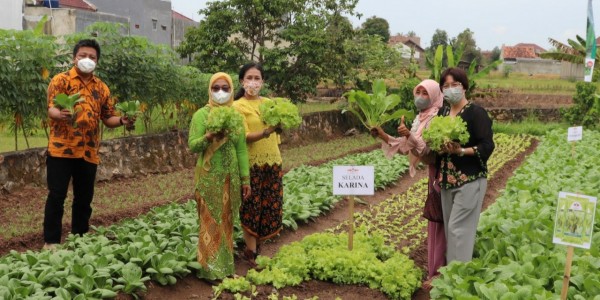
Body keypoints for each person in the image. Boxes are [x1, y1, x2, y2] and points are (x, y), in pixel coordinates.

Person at [44, 39, 134, 250]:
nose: (87, 60)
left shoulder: (101, 88)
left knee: (84, 199)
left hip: (88, 151)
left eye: (92, 57)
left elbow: (108, 117)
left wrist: (122, 120)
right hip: (61, 149)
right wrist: (62, 114)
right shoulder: (61, 81)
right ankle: (51, 242)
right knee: (56, 196)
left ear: (97, 61)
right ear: (74, 57)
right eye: (83, 56)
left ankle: (79, 240)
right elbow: (51, 109)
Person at [370, 79, 446, 286]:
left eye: (425, 93)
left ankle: (440, 273)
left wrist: (410, 135)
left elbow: (426, 149)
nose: (420, 97)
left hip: (443, 173)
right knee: (435, 220)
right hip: (433, 173)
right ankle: (434, 271)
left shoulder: (439, 117)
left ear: (434, 96)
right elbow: (406, 147)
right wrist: (383, 135)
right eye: (418, 92)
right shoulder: (421, 118)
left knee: (441, 223)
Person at [188, 72, 251, 283]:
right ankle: (208, 269)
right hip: (208, 177)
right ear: (209, 90)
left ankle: (225, 268)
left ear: (232, 90)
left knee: (226, 222)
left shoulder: (235, 116)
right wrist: (209, 136)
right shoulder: (201, 115)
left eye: (225, 88)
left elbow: (242, 150)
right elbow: (192, 146)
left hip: (230, 178)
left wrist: (245, 180)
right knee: (210, 221)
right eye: (216, 88)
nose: (221, 92)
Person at [436, 67, 495, 263]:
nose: (450, 89)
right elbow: (436, 142)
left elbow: (487, 146)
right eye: (446, 86)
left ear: (464, 87)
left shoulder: (476, 113)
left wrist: (460, 150)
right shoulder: (442, 112)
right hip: (446, 181)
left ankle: (458, 276)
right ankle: (450, 276)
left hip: (469, 179)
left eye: (455, 85)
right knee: (450, 230)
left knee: (459, 229)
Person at [232, 63, 283, 267]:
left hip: (273, 162)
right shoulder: (237, 107)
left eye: (257, 78)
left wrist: (280, 128)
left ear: (263, 82)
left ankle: (258, 248)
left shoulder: (270, 103)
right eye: (249, 77)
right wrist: (267, 131)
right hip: (251, 164)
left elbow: (278, 133)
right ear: (242, 81)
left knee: (269, 206)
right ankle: (250, 252)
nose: (253, 82)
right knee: (251, 207)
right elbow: (244, 137)